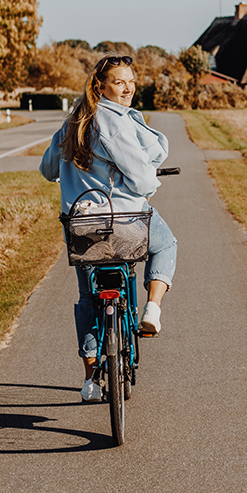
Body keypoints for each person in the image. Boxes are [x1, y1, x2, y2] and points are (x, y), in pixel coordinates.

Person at [40, 55, 177, 401]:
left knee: (88, 297)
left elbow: (47, 169)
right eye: (119, 81)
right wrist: (147, 184)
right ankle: (152, 310)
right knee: (166, 244)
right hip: (124, 220)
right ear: (100, 86)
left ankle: (89, 380)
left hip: (81, 224)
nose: (128, 87)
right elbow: (144, 179)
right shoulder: (114, 122)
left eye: (131, 81)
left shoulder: (72, 122)